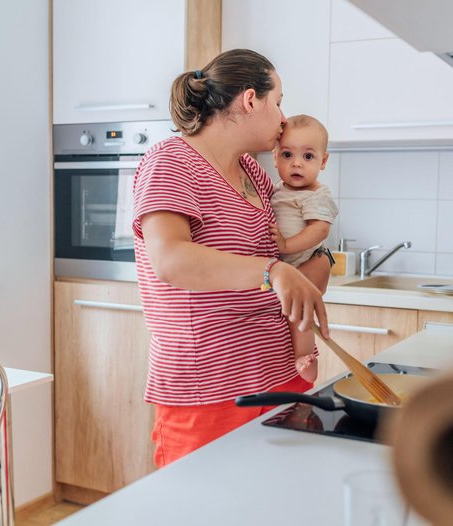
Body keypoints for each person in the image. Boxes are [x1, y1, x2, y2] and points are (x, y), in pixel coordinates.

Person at [131, 49, 331, 467]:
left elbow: (281, 258)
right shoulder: (170, 162)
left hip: (280, 371)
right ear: (250, 99)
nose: (283, 118)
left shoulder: (253, 172)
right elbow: (170, 260)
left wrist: (321, 260)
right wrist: (271, 270)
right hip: (210, 386)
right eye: (278, 101)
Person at [269, 115, 338, 383]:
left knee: (299, 316)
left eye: (308, 157)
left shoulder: (317, 195)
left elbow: (319, 230)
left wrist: (286, 245)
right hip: (282, 270)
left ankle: (305, 358)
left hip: (301, 263)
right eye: (287, 154)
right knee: (294, 312)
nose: (296, 163)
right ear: (275, 158)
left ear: (323, 161)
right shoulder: (276, 189)